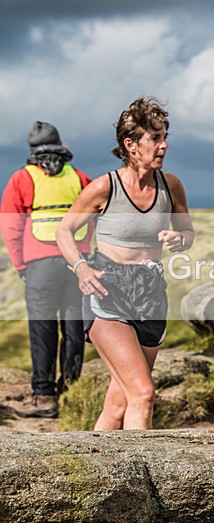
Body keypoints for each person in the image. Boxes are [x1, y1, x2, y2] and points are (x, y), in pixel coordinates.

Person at [56, 97, 194, 430]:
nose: (163, 146)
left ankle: (90, 461)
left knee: (118, 405)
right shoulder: (105, 187)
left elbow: (188, 232)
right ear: (130, 145)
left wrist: (180, 240)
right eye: (155, 138)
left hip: (151, 294)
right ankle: (141, 465)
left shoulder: (171, 186)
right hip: (109, 291)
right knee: (143, 394)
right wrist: (81, 268)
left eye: (165, 138)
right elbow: (64, 230)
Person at [1, 122, 93, 418]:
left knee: (42, 330)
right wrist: (84, 254)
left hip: (39, 266)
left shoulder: (22, 178)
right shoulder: (79, 177)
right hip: (75, 262)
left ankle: (44, 398)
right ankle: (70, 395)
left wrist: (20, 264)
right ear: (60, 144)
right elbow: (93, 218)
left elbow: (11, 226)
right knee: (74, 330)